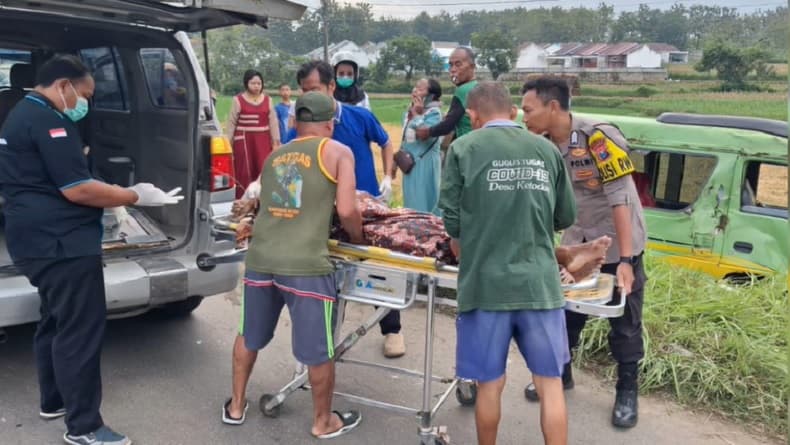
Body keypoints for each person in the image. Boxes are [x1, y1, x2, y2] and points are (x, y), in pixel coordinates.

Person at [0, 54, 183, 445]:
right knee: (79, 331)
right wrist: (135, 194)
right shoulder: (51, 122)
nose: (85, 103)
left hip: (34, 239)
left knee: (54, 319)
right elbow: (77, 189)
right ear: (64, 86)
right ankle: (84, 426)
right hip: (61, 244)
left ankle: (54, 400)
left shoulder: (20, 113)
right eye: (84, 94)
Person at [439, 81, 577, 445]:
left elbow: (451, 222)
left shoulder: (463, 148)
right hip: (539, 286)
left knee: (490, 384)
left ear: (473, 115)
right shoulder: (546, 149)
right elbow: (565, 216)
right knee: (550, 385)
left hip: (485, 285)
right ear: (513, 111)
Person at [223, 91, 364, 439]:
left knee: (249, 334)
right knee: (319, 349)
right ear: (330, 122)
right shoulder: (337, 151)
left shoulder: (275, 156)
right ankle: (323, 421)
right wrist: (359, 240)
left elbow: (272, 205)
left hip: (262, 259)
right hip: (305, 266)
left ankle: (236, 406)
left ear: (297, 121)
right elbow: (347, 210)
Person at [520, 76, 648, 429]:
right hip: (578, 238)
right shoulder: (540, 143)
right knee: (565, 314)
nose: (524, 116)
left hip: (620, 238)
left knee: (624, 323)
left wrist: (625, 260)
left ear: (554, 107)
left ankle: (626, 391)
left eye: (529, 109)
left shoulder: (598, 137)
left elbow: (620, 196)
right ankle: (560, 374)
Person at [254, 60, 403, 357]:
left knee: (376, 273)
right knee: (328, 281)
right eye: (304, 91)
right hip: (320, 216)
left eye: (315, 89)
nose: (308, 97)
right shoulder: (302, 124)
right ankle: (326, 342)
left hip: (361, 210)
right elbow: (285, 161)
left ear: (331, 87)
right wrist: (259, 184)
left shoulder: (359, 117)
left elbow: (386, 144)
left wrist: (387, 175)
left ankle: (392, 330)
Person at [227, 69, 280, 199]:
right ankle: (242, 204)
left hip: (263, 141)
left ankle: (264, 202)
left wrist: (276, 142)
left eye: (259, 83)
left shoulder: (268, 100)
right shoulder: (238, 100)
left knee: (264, 169)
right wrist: (229, 144)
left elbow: (273, 122)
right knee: (244, 172)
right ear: (246, 83)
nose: (256, 86)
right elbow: (231, 123)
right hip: (244, 141)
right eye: (253, 83)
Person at [397, 78, 443, 214]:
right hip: (410, 164)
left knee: (426, 201)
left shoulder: (434, 114)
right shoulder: (407, 113)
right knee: (411, 202)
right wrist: (396, 161)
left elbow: (424, 134)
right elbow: (406, 138)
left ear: (431, 95)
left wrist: (417, 115)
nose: (415, 91)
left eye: (420, 89)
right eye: (415, 87)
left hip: (425, 163)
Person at [415, 46, 478, 144]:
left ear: (472, 67)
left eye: (458, 65)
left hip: (466, 144)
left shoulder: (462, 90)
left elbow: (448, 125)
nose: (453, 70)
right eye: (451, 65)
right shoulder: (477, 87)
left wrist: (427, 132)